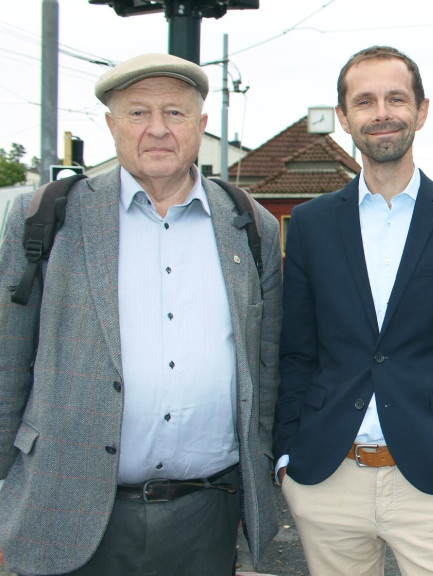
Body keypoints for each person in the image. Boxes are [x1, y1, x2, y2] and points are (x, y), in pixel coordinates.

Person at [0, 53, 282, 575]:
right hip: (67, 505)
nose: (157, 129)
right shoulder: (47, 218)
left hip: (207, 514)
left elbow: (265, 371)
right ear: (110, 125)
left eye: (174, 113)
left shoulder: (250, 226)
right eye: (136, 113)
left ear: (200, 126)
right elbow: (7, 360)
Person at [273, 45, 433, 576]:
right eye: (365, 101)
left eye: (396, 99)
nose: (381, 113)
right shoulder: (311, 225)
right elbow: (297, 352)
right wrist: (287, 458)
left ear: (421, 111)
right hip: (329, 479)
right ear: (344, 118)